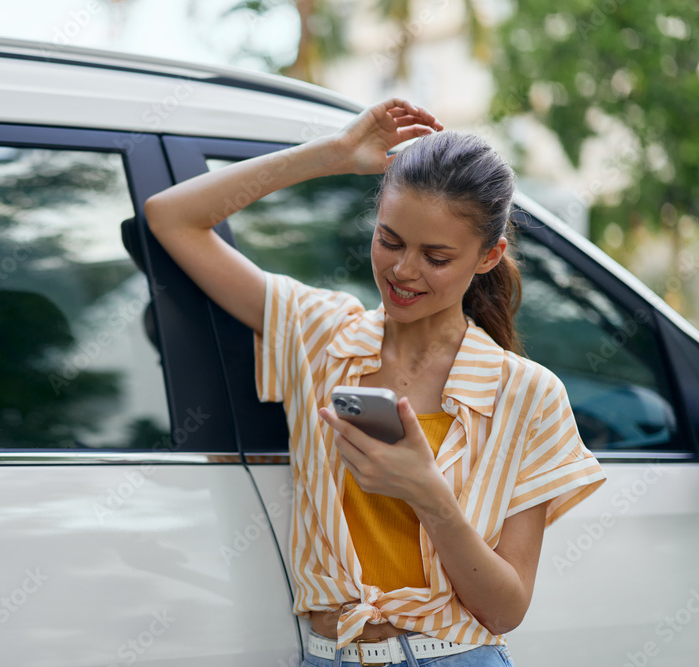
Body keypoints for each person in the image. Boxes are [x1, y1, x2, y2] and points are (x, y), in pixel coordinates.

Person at [144, 98, 606, 667]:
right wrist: (332, 154)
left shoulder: (526, 394)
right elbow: (170, 217)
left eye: (436, 257)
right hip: (327, 653)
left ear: (489, 256)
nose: (404, 271)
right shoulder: (319, 336)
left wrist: (426, 492)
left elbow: (505, 610)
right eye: (390, 240)